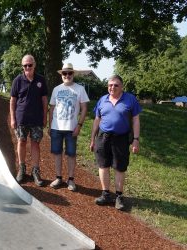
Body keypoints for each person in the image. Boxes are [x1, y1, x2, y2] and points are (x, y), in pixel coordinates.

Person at [90, 75, 141, 211]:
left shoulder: (130, 99)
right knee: (103, 165)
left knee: (119, 167)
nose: (112, 87)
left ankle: (118, 196)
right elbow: (96, 120)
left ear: (122, 87)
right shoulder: (102, 100)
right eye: (110, 85)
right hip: (103, 137)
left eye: (116, 85)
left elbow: (136, 120)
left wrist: (136, 140)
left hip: (121, 138)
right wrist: (92, 139)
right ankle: (105, 194)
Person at [48, 63, 89, 191]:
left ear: (73, 74)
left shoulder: (80, 89)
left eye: (69, 73)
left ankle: (71, 179)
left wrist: (79, 125)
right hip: (56, 127)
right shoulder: (56, 89)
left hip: (72, 128)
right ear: (61, 75)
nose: (67, 75)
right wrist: (50, 125)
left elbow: (84, 108)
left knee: (71, 154)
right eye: (64, 73)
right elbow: (52, 108)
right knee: (57, 153)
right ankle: (58, 177)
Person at [10, 54, 48, 186]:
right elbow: (13, 100)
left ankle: (35, 171)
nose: (27, 67)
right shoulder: (17, 80)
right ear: (22, 66)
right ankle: (22, 169)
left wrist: (45, 116)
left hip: (37, 118)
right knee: (21, 141)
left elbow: (44, 100)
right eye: (25, 65)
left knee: (35, 144)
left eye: (30, 65)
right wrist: (13, 118)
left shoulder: (41, 80)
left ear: (34, 65)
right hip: (21, 118)